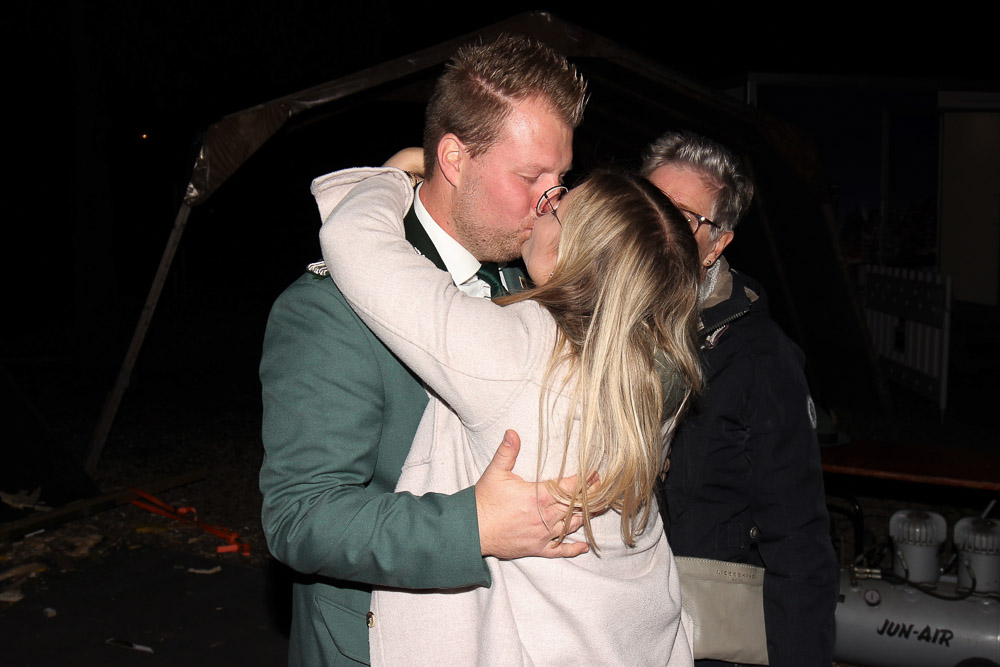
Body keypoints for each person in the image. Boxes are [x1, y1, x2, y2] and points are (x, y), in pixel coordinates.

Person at [259, 36, 590, 666]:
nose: (554, 202)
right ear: (455, 159)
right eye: (530, 178)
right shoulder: (330, 310)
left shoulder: (530, 279)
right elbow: (301, 518)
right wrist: (474, 527)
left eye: (561, 178)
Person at [315, 166, 702, 665]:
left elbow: (354, 242)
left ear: (566, 252)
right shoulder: (658, 370)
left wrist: (398, 177)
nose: (543, 203)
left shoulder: (520, 353)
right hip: (639, 637)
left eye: (557, 207)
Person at [642, 131, 839, 667]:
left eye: (682, 217)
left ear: (717, 244)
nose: (655, 225)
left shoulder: (759, 359)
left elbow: (798, 540)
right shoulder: (592, 319)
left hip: (694, 638)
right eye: (646, 202)